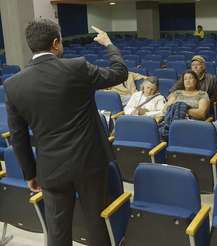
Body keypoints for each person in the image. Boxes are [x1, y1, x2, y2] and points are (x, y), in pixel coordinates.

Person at [4, 20, 128, 246]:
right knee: (96, 223)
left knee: (58, 231)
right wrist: (108, 44)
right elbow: (119, 73)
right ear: (55, 43)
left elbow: (18, 137)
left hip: (50, 169)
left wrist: (31, 174)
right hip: (89, 164)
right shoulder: (77, 67)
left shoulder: (13, 85)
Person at [159, 70, 210, 140]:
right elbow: (166, 109)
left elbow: (201, 113)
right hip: (172, 121)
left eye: (190, 78)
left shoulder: (202, 94)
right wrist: (179, 108)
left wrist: (182, 108)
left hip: (192, 123)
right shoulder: (177, 93)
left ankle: (171, 134)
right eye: (185, 79)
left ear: (196, 81)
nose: (187, 80)